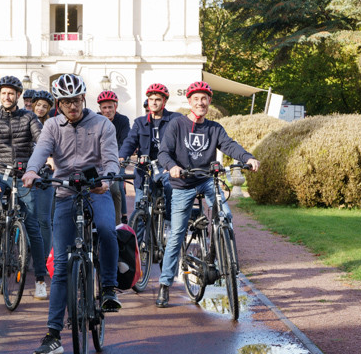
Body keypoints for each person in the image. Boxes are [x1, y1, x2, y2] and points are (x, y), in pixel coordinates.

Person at [22, 73, 121, 354]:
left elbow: (111, 157)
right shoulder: (52, 125)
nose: (72, 106)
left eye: (76, 100)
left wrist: (108, 179)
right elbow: (41, 151)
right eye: (66, 102)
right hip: (65, 192)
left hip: (96, 189)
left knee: (105, 229)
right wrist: (31, 170)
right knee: (63, 264)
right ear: (58, 103)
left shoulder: (102, 123)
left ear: (83, 99)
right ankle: (53, 335)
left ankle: (109, 288)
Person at [154, 81, 260, 308]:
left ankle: (219, 254)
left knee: (226, 217)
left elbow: (230, 145)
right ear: (189, 102)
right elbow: (164, 152)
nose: (200, 103)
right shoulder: (176, 124)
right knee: (177, 235)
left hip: (207, 180)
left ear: (209, 102)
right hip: (183, 183)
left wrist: (247, 158)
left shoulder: (214, 128)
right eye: (196, 99)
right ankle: (164, 285)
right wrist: (172, 166)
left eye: (204, 99)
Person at [0, 75, 49, 300]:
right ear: (0, 95)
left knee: (34, 226)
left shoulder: (28, 118)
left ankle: (40, 280)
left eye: (11, 93)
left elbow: (43, 141)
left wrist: (46, 161)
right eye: (4, 93)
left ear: (18, 95)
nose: (7, 97)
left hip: (24, 174)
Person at [118, 83, 182, 229]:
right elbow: (130, 141)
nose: (153, 102)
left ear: (164, 101)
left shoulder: (175, 119)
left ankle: (169, 222)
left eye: (158, 99)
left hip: (167, 166)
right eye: (151, 99)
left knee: (170, 185)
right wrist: (122, 156)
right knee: (140, 206)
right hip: (145, 168)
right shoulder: (140, 122)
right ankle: (139, 247)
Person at [29, 90, 55, 266]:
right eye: (38, 105)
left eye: (44, 106)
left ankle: (46, 256)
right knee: (28, 217)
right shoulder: (25, 121)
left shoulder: (52, 125)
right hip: (27, 172)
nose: (40, 108)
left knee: (44, 219)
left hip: (46, 174)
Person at [97, 90, 131, 224]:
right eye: (104, 108)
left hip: (117, 158)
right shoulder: (95, 119)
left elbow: (125, 141)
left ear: (115, 107)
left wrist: (120, 156)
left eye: (110, 107)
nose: (107, 110)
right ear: (100, 109)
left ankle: (118, 222)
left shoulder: (122, 120)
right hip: (98, 160)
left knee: (115, 189)